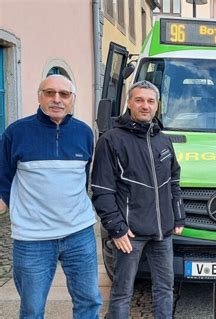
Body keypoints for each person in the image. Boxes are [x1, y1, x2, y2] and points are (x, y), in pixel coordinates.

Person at [0, 74, 102, 318]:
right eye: (50, 93)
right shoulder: (16, 133)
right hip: (32, 238)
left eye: (64, 94)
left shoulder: (84, 133)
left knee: (89, 302)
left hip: (79, 234)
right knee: (32, 308)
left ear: (72, 100)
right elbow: (3, 178)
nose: (57, 99)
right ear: (39, 96)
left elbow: (83, 179)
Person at [91, 80, 185, 318]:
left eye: (150, 101)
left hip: (163, 232)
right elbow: (101, 190)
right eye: (139, 100)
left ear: (157, 105)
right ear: (129, 103)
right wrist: (116, 228)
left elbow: (174, 180)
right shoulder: (111, 140)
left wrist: (178, 215)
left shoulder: (163, 139)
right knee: (123, 292)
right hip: (130, 234)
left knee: (165, 288)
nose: (145, 106)